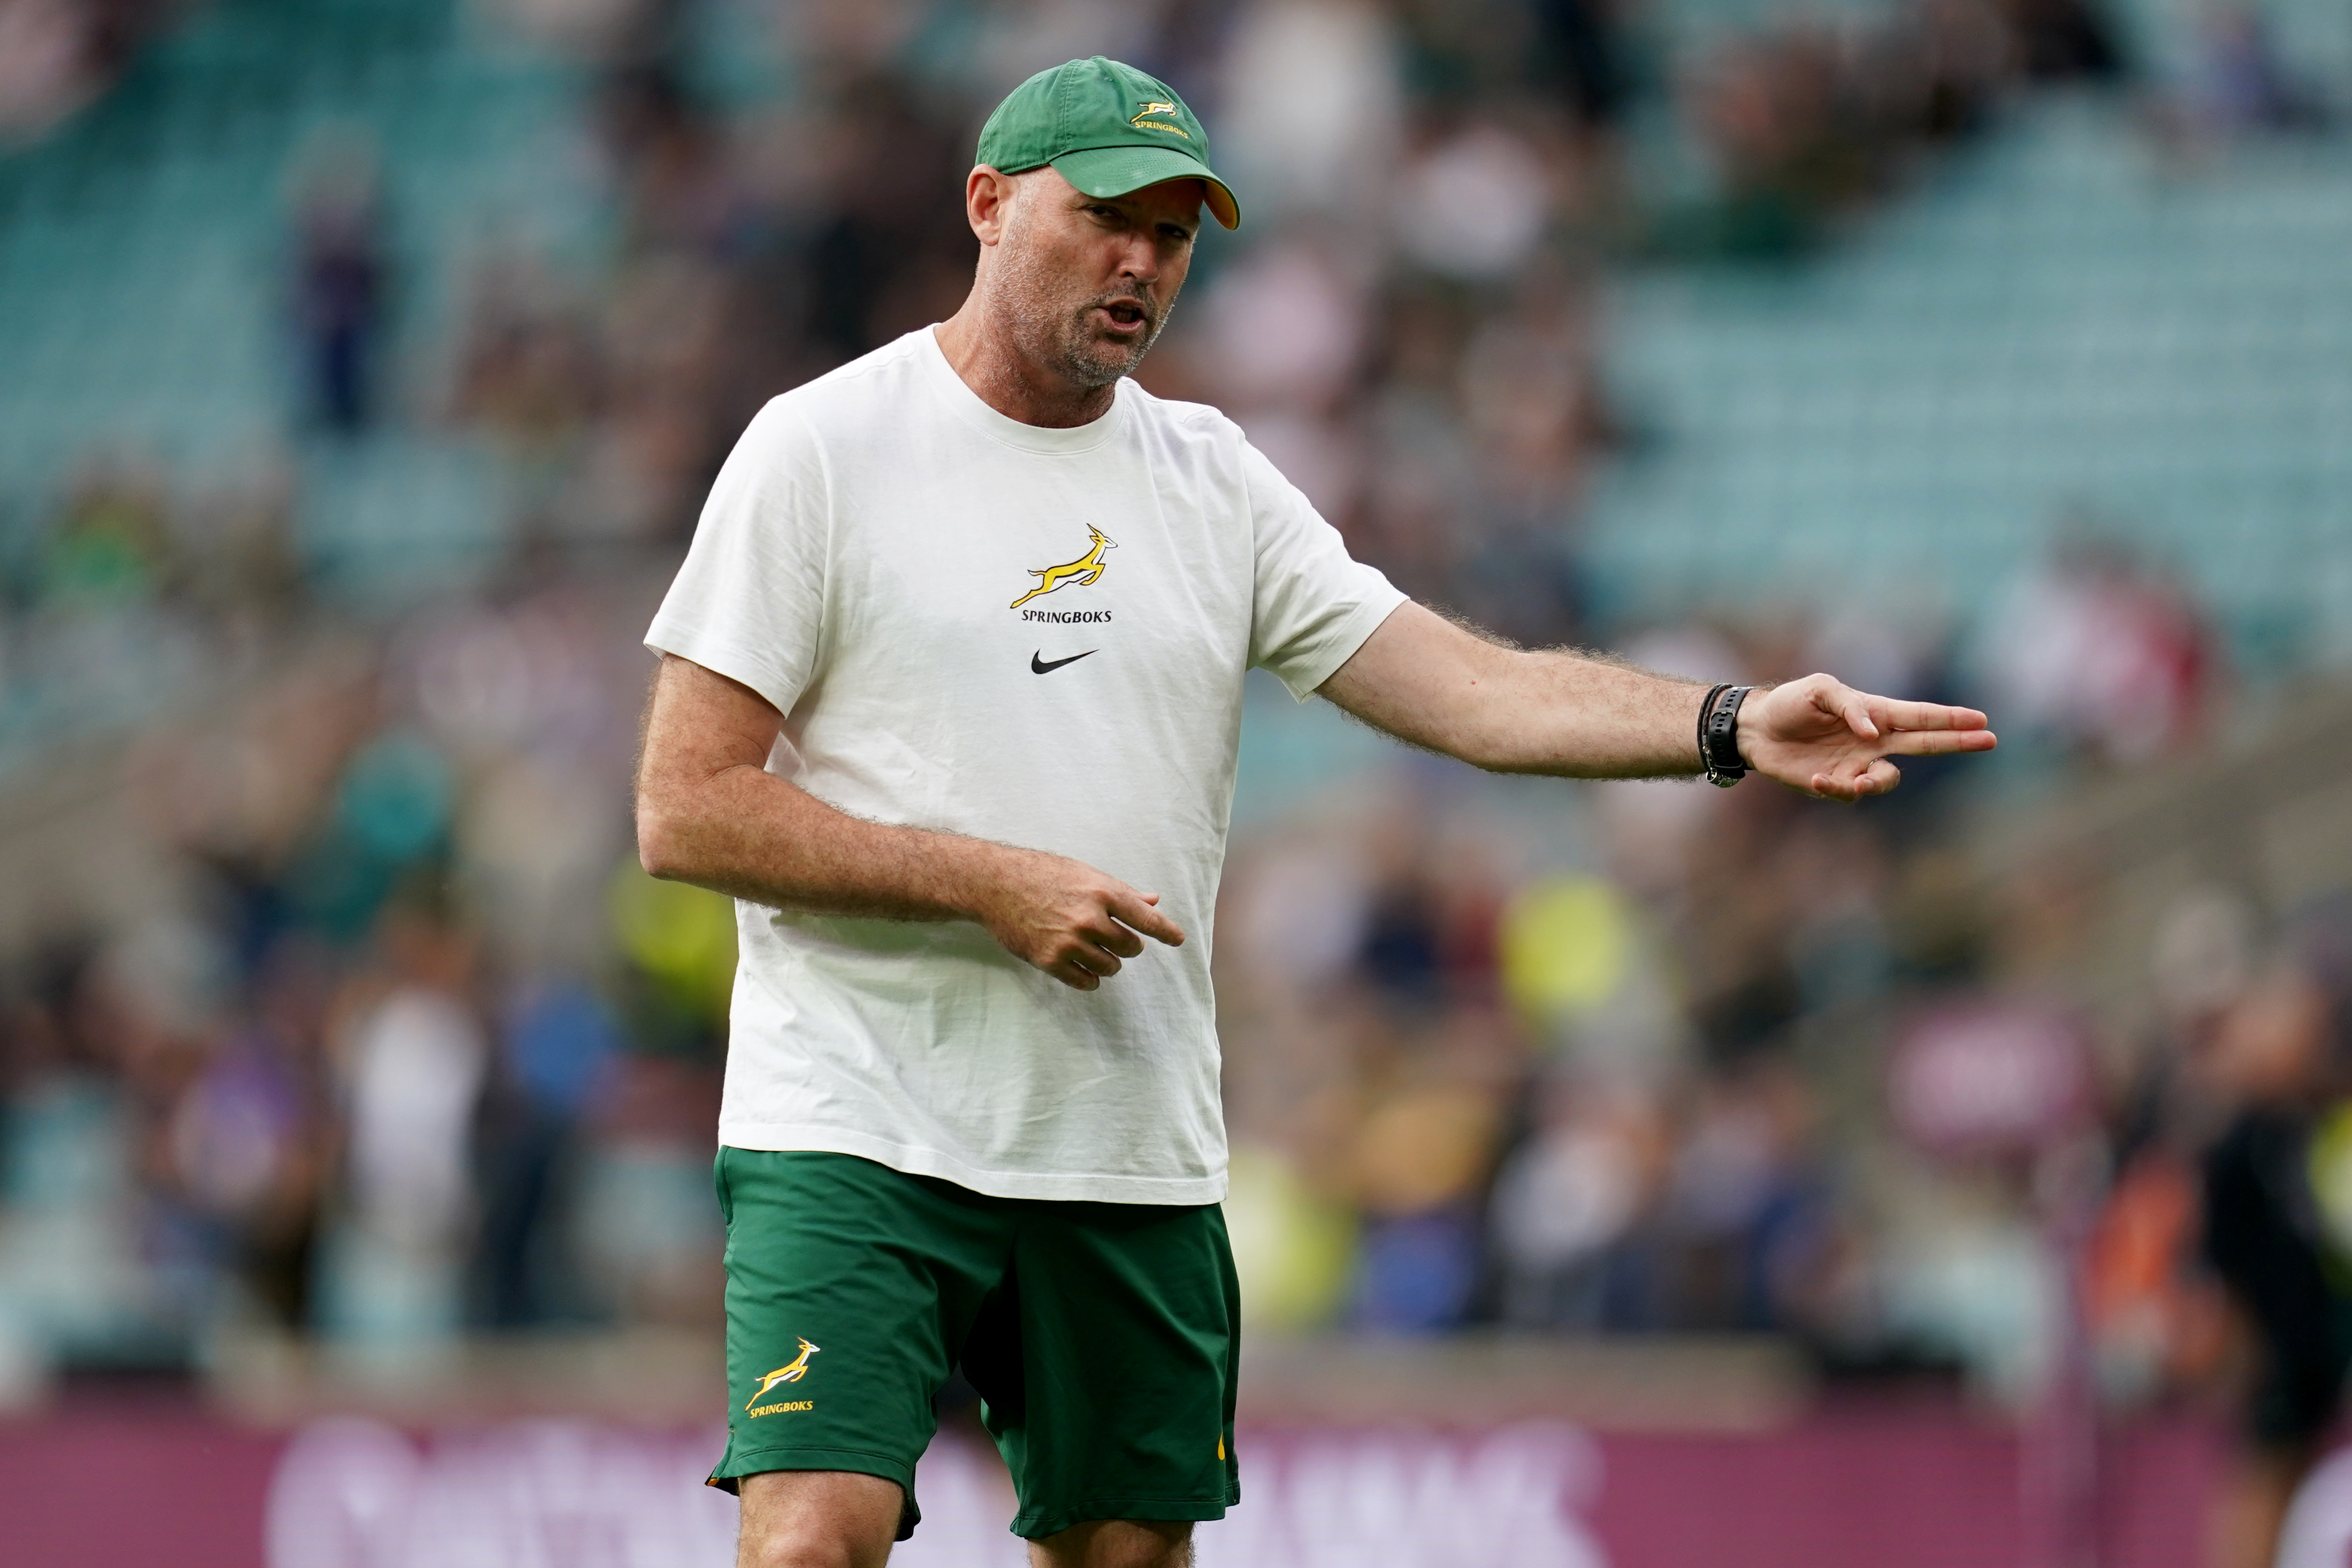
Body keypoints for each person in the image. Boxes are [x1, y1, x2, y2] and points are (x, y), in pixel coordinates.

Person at [632, 55, 1997, 1568]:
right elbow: (686, 810)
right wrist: (983, 882)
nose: (1142, 262)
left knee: (1126, 1556)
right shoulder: (820, 449)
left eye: (1173, 234)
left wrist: (1724, 723)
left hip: (1121, 1139)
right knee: (810, 1540)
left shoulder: (1210, 480)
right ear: (989, 205)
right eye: (1107, 219)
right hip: (855, 1123)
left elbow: (1473, 693)